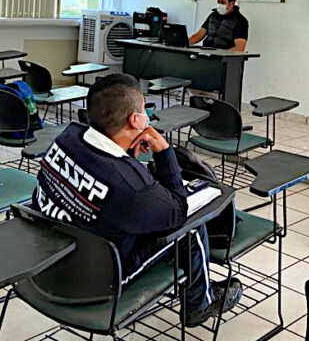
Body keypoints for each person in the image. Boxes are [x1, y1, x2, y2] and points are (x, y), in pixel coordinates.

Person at [31, 73, 242, 326]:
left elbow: (101, 174)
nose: (147, 116)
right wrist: (164, 153)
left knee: (150, 212)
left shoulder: (68, 137)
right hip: (99, 276)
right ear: (135, 120)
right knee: (190, 226)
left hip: (49, 262)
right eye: (144, 111)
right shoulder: (132, 189)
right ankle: (200, 303)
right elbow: (178, 211)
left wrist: (127, 157)